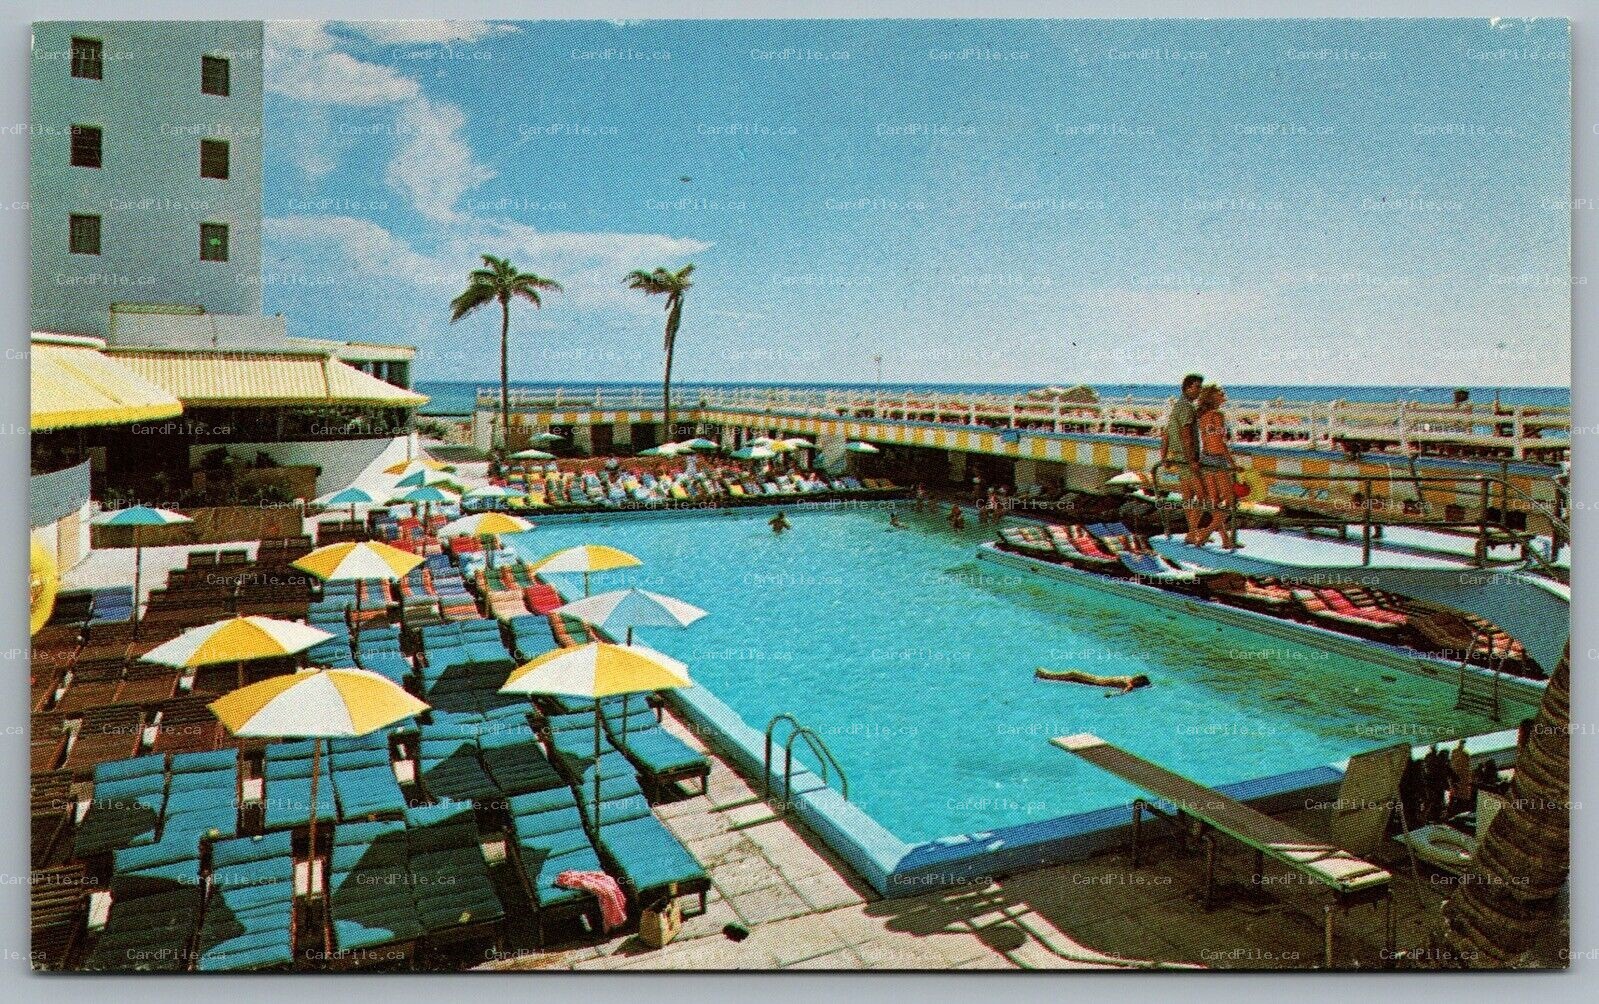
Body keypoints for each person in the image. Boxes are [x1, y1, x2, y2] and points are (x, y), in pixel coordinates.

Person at [1160, 374, 1207, 545]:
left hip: (1178, 457)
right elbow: (1186, 436)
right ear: (1187, 388)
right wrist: (1192, 460)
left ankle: (1191, 532)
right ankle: (1192, 532)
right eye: (1197, 387)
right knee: (1203, 496)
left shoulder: (1177, 406)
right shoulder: (1186, 408)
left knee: (1187, 497)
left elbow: (1166, 434)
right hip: (1186, 458)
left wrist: (1164, 456)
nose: (1199, 391)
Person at [1194, 384, 1239, 549]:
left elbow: (1208, 440)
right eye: (1220, 393)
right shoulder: (1217, 415)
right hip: (1217, 460)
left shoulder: (1203, 415)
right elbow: (1219, 442)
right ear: (1213, 397)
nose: (1223, 394)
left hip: (1205, 458)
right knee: (1231, 501)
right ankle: (1206, 533)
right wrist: (1232, 464)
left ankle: (1225, 540)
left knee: (1214, 503)